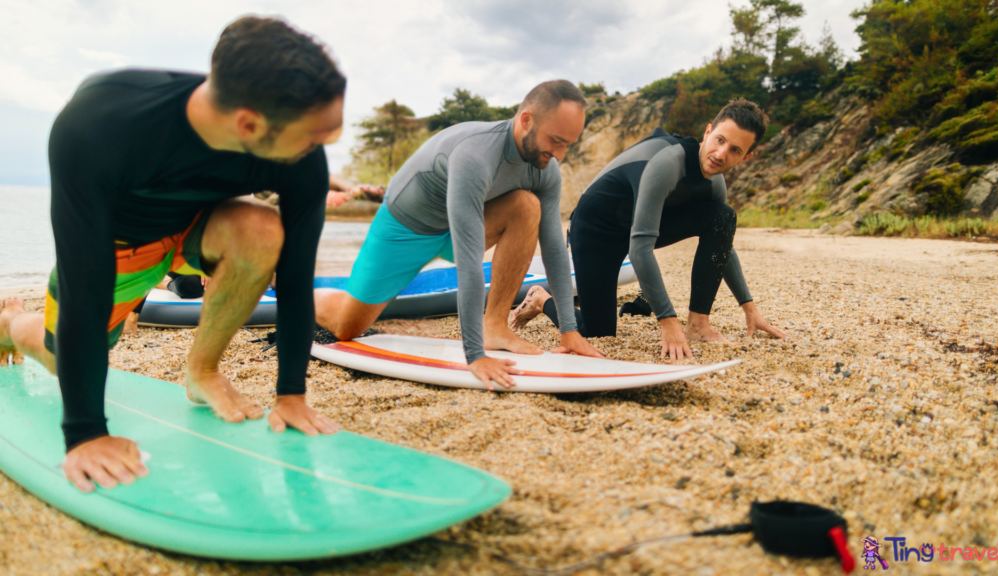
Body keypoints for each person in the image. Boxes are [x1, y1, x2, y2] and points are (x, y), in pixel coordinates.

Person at [0, 16, 345, 493]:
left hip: (197, 233)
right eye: (317, 136)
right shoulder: (99, 124)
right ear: (249, 124)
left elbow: (294, 276)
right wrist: (85, 433)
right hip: (118, 250)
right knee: (69, 359)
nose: (324, 148)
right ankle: (11, 325)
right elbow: (86, 284)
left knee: (262, 230)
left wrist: (291, 394)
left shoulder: (296, 150)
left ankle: (201, 371)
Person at [314, 80, 603, 390]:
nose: (559, 154)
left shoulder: (545, 168)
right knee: (348, 326)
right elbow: (468, 262)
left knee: (525, 206)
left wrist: (569, 331)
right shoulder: (475, 154)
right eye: (555, 140)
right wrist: (474, 355)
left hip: (464, 224)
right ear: (526, 120)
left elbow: (555, 247)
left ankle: (494, 325)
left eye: (568, 144)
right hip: (405, 228)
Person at [509, 99, 788, 360]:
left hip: (636, 225)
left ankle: (698, 324)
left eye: (735, 150)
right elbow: (639, 247)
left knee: (722, 217)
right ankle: (539, 298)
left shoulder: (714, 182)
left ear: (746, 157)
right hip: (596, 231)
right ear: (708, 131)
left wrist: (749, 309)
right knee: (598, 333)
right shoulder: (667, 163)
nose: (721, 154)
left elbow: (722, 244)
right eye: (720, 140)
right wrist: (667, 321)